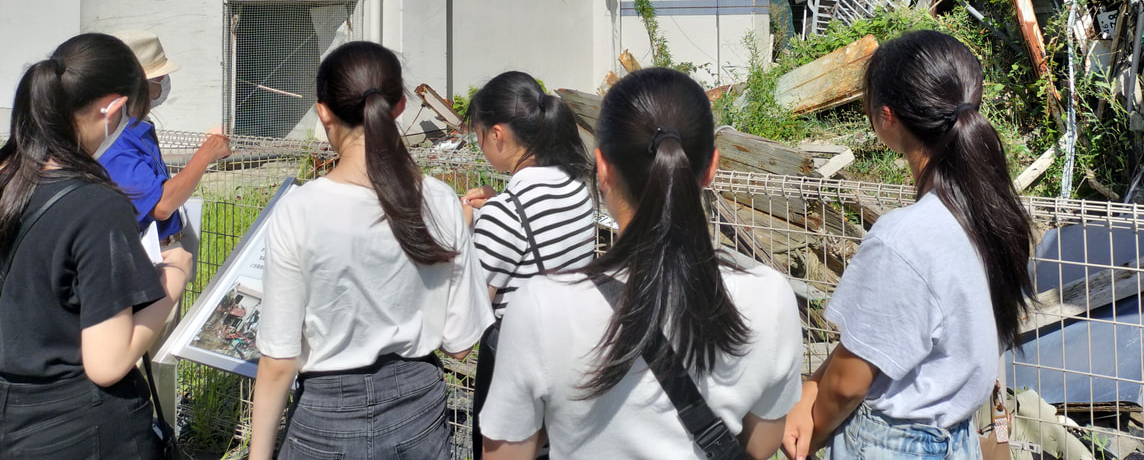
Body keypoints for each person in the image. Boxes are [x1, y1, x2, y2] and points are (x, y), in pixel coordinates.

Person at [480, 66, 803, 460]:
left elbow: (506, 455)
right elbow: (761, 443)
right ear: (713, 167)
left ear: (601, 169)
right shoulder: (770, 296)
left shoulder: (539, 306)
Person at [782, 30, 1035, 460]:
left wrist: (811, 431)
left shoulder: (904, 239)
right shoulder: (989, 215)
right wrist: (809, 389)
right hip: (957, 439)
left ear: (886, 116)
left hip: (893, 444)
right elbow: (870, 343)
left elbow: (848, 382)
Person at [248, 41, 493, 460]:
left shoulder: (299, 211)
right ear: (399, 108)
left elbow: (279, 361)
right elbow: (460, 344)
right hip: (418, 412)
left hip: (325, 417)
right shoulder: (440, 201)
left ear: (322, 111)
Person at [0, 33, 192, 459]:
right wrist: (175, 274)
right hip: (79, 428)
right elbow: (107, 363)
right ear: (113, 108)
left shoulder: (8, 180)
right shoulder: (97, 205)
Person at [461, 71, 598, 457]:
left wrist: (465, 233)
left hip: (515, 373)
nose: (480, 145)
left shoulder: (505, 213)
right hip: (569, 362)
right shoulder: (576, 188)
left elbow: (468, 319)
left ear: (498, 134)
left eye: (479, 135)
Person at [100, 30, 231, 247]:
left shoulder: (137, 128)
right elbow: (161, 205)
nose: (165, 83)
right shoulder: (116, 142)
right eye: (159, 78)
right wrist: (206, 153)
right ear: (138, 85)